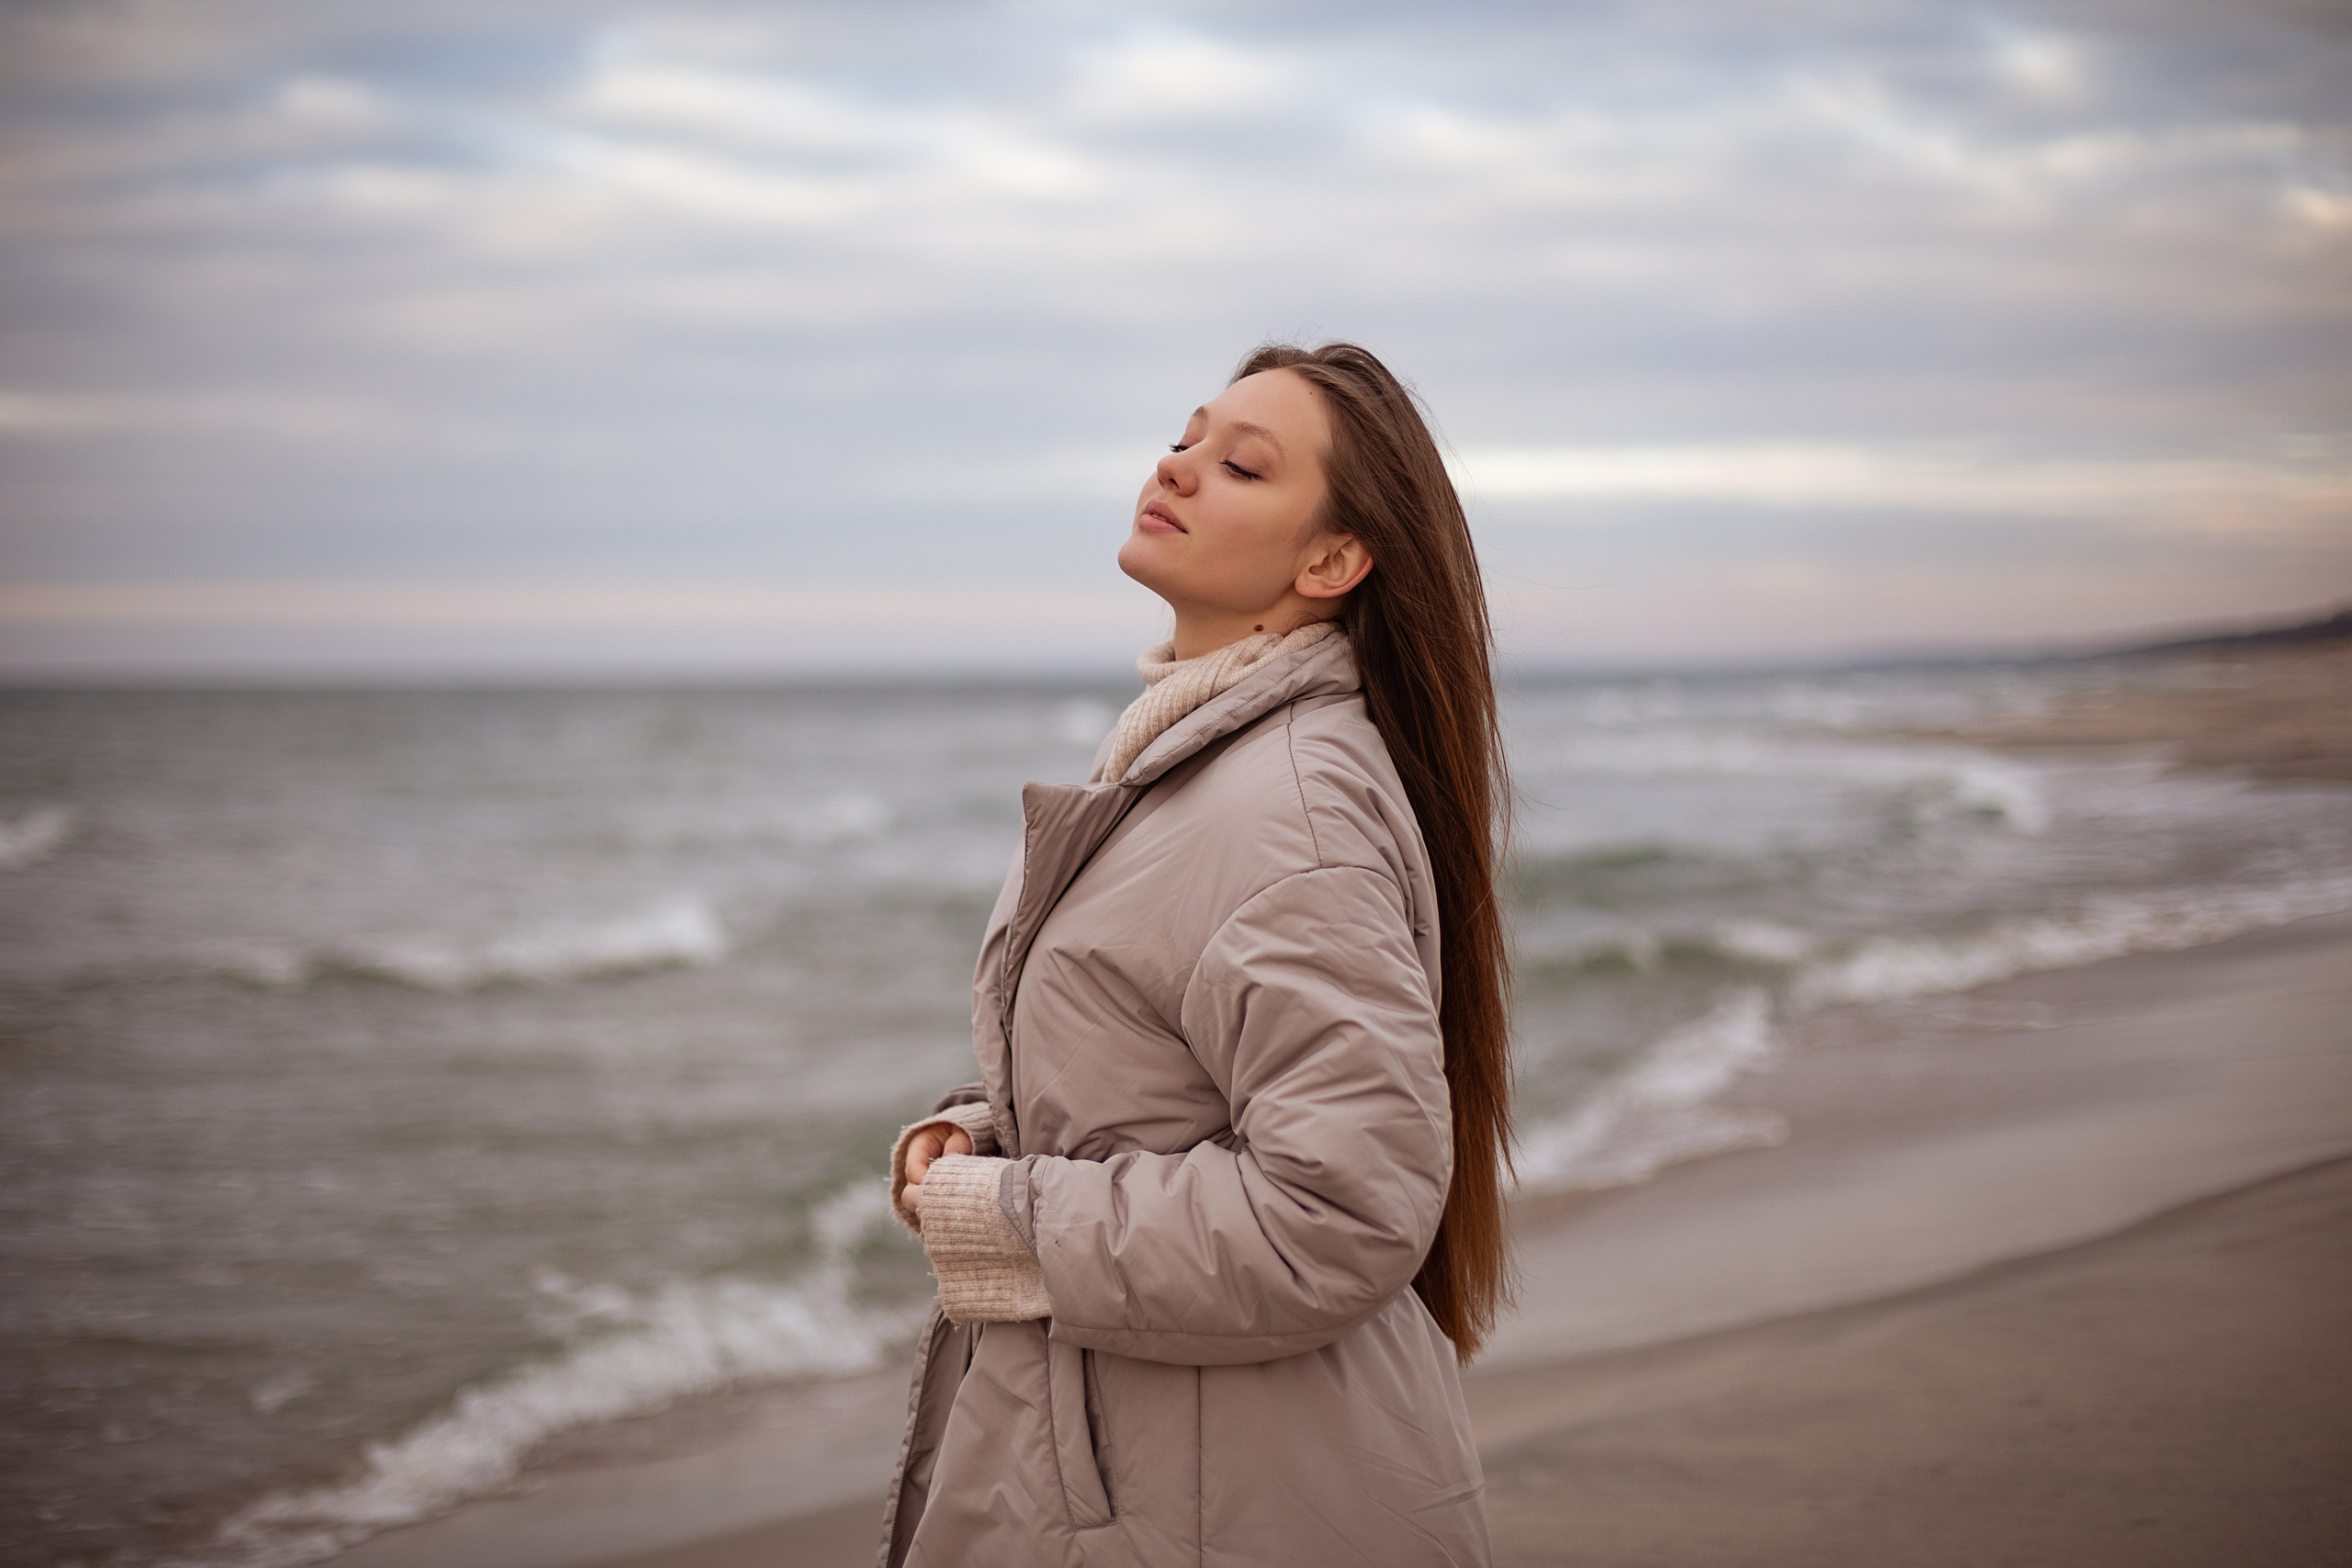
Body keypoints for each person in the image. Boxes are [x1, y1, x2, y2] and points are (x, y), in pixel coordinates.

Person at [879, 342, 1513, 1567]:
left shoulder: (1290, 805)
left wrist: (1001, 1214)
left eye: (1242, 463)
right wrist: (987, 1134)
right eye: (1187, 436)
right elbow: (1172, 1094)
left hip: (1233, 1502)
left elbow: (1338, 1208)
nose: (1178, 465)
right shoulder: (1195, 768)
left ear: (1332, 560)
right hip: (1172, 1467)